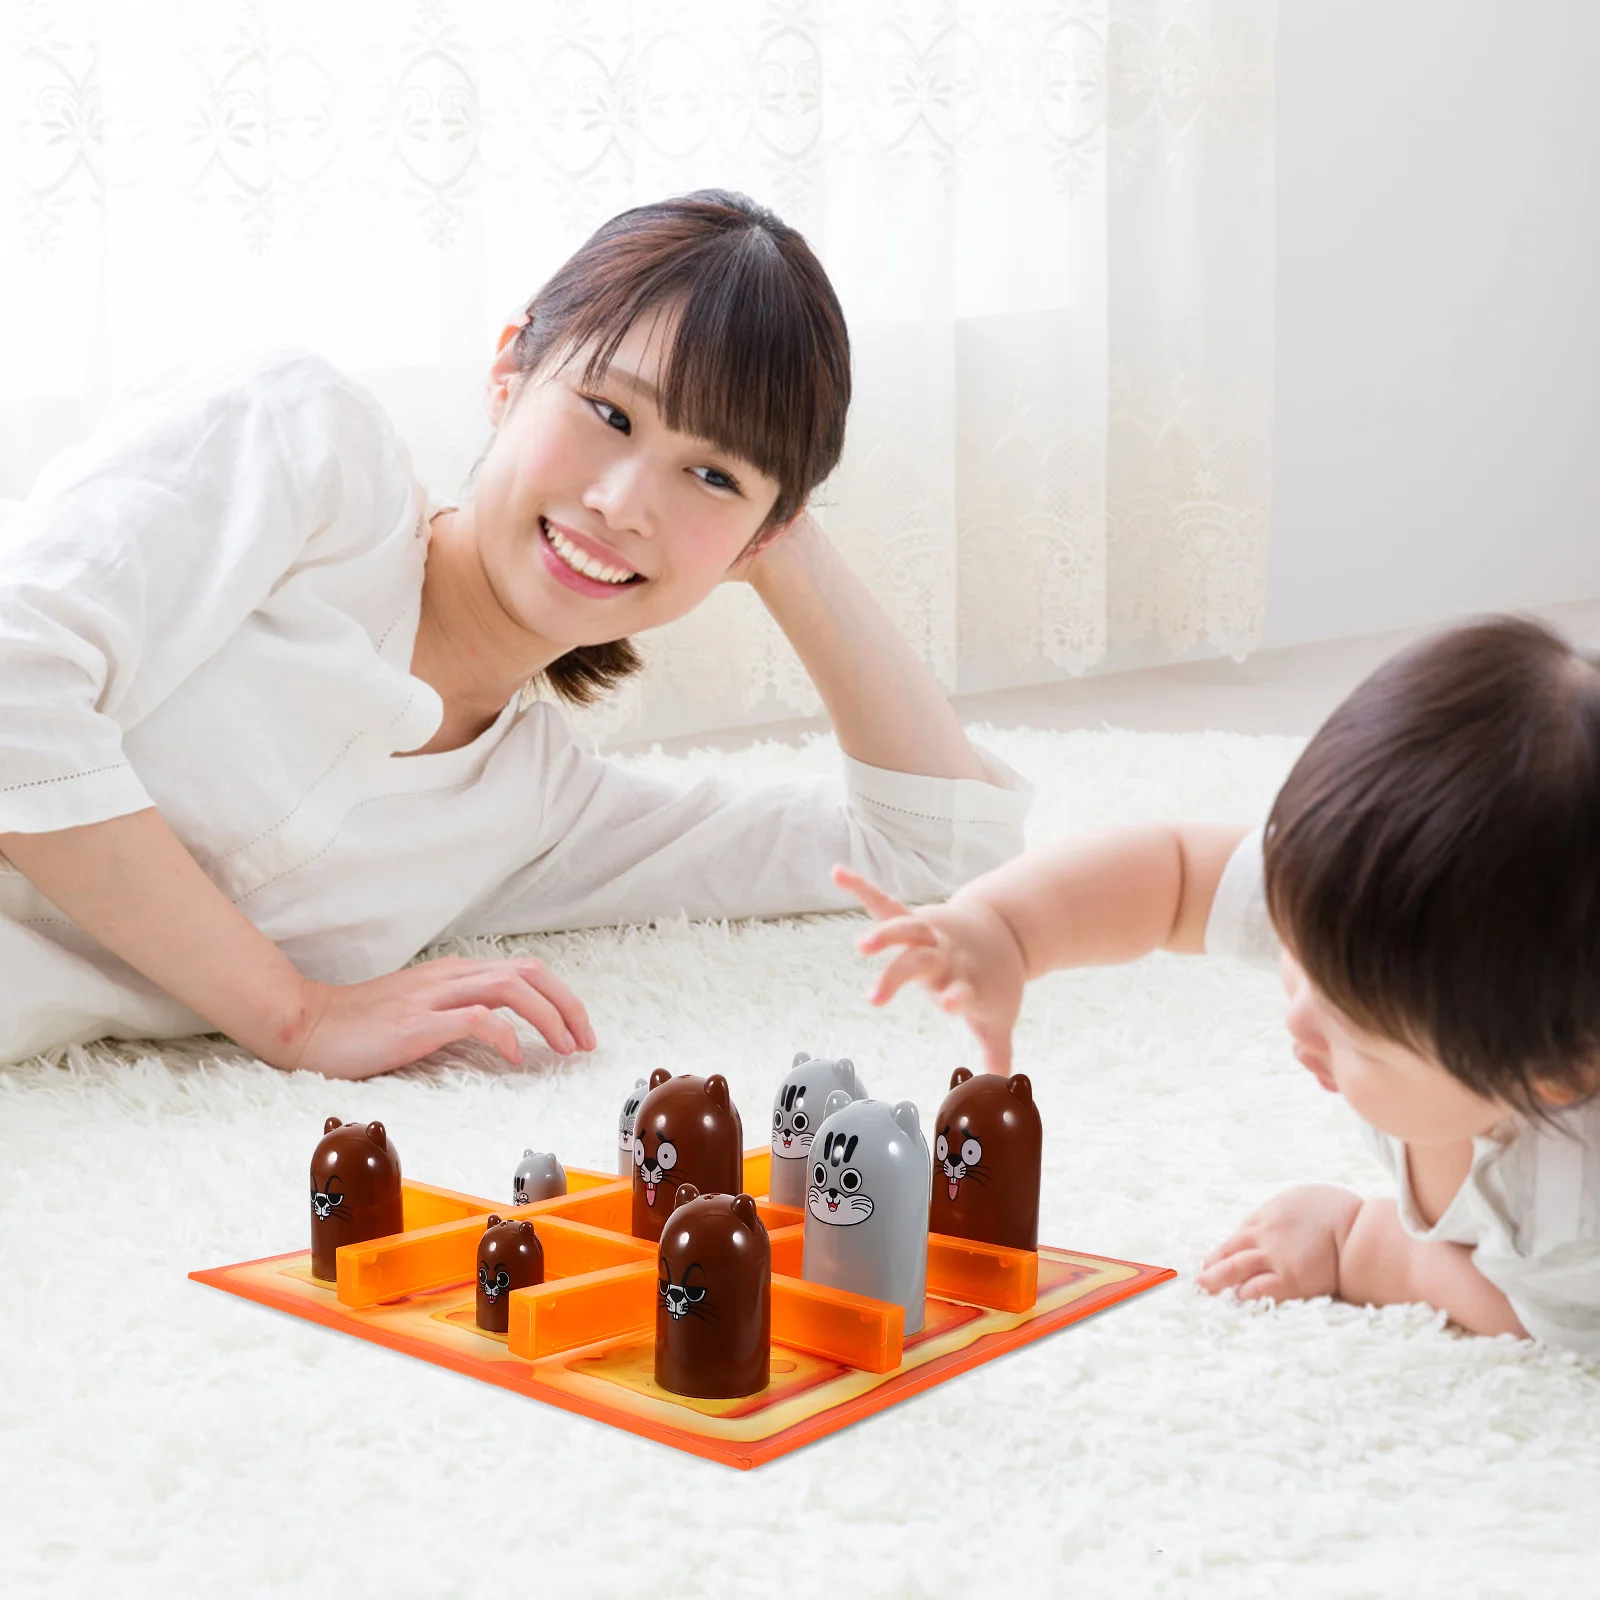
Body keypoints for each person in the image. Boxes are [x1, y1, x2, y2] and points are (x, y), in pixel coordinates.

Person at [0, 190, 1029, 1077]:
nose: (624, 502)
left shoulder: (535, 811)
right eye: (610, 413)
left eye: (710, 475)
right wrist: (294, 1011)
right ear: (509, 369)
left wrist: (776, 539)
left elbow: (931, 847)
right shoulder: (307, 448)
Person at [838, 616, 1600, 1353]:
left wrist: (1361, 1241)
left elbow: (1522, 1314)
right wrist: (1004, 930)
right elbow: (1176, 872)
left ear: (1557, 1074)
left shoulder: (1567, 1214)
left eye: (1357, 1033)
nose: (1299, 1024)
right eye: (1298, 960)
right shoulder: (1362, 913)